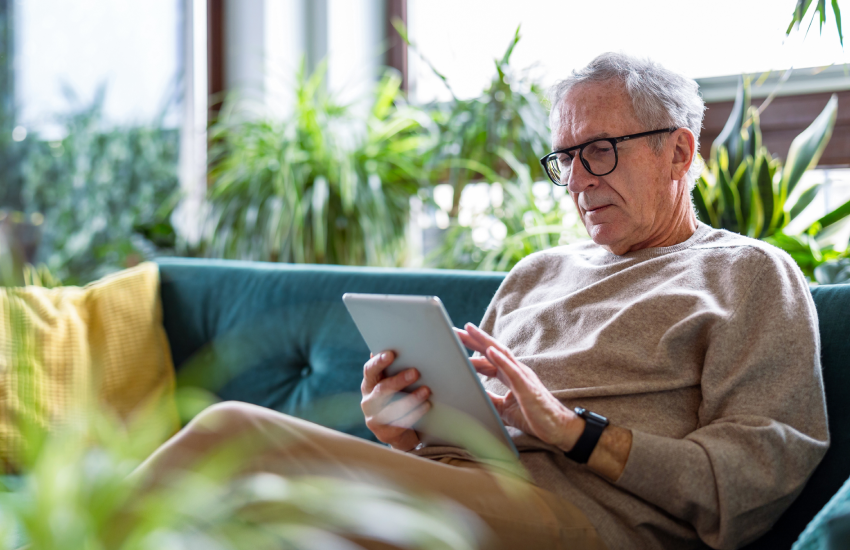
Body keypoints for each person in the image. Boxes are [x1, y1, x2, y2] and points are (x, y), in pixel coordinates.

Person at [136, 53, 828, 550]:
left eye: (602, 151)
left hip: (586, 520)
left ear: (679, 152)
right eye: (565, 158)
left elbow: (752, 483)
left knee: (234, 436)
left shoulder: (748, 275)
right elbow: (475, 440)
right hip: (466, 492)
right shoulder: (537, 271)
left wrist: (575, 432)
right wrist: (401, 428)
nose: (580, 179)